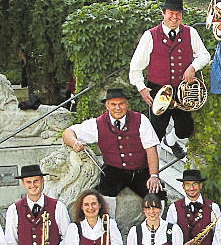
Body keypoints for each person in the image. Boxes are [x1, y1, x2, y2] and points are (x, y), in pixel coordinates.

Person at [129, 0, 211, 158]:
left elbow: (204, 55)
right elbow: (135, 67)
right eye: (171, 13)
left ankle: (171, 141)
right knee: (156, 131)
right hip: (158, 90)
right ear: (163, 13)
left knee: (185, 129)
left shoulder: (190, 32)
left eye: (178, 14)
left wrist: (193, 67)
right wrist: (142, 88)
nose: (175, 17)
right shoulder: (150, 35)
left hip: (183, 90)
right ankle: (148, 165)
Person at [62, 88, 162, 216]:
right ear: (107, 105)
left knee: (158, 197)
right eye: (113, 104)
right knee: (105, 195)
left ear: (127, 104)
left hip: (141, 170)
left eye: (121, 104)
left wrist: (154, 175)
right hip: (114, 169)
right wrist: (75, 143)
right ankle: (109, 226)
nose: (118, 108)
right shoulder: (97, 124)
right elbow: (68, 133)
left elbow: (151, 149)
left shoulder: (141, 120)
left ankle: (157, 228)